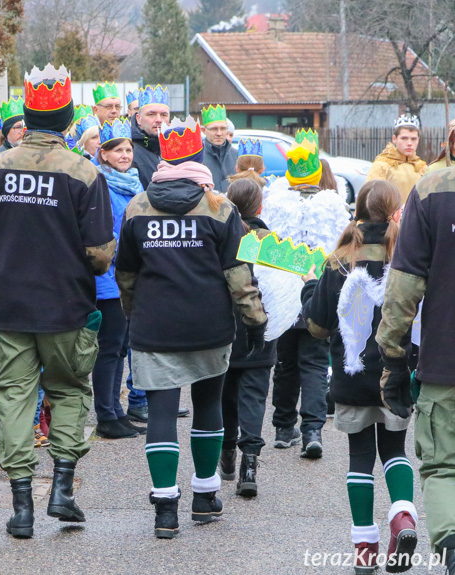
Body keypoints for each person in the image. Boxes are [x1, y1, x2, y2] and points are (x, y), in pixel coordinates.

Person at [0, 64, 115, 537]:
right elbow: (99, 254)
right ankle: (62, 492)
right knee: (70, 391)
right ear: (70, 119)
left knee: (13, 399)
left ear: (26, 118)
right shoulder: (85, 172)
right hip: (66, 308)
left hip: (6, 308)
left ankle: (21, 508)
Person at [116, 115, 267, 540]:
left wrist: (133, 312)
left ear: (162, 158)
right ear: (199, 156)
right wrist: (255, 321)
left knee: (162, 413)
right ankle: (205, 496)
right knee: (208, 406)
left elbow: (125, 272)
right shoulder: (222, 208)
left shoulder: (137, 207)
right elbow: (239, 275)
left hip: (154, 326)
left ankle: (165, 507)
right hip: (209, 327)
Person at [301, 180, 416, 573]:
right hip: (395, 373)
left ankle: (364, 547)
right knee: (395, 452)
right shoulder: (406, 256)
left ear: (359, 211)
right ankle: (403, 516)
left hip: (351, 376)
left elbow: (316, 327)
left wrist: (311, 292)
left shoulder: (339, 259)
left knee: (360, 457)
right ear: (395, 212)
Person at [376, 165, 455, 574]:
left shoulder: (431, 191)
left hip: (446, 359)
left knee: (444, 465)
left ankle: (453, 549)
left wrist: (392, 358)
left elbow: (404, 287)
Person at [261, 129, 350, 459]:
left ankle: (284, 428)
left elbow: (265, 251)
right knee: (313, 363)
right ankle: (313, 429)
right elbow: (341, 254)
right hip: (318, 293)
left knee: (284, 363)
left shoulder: (275, 205)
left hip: (283, 295)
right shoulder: (334, 207)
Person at [218, 178, 277, 499]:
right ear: (260, 206)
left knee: (226, 395)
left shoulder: (221, 235)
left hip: (227, 328)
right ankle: (250, 464)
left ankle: (227, 452)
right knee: (254, 397)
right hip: (262, 327)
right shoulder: (272, 243)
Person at [91, 118, 145, 439]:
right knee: (108, 348)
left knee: (122, 348)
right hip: (108, 280)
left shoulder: (135, 185)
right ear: (104, 155)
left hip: (128, 278)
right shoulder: (102, 186)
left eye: (128, 149)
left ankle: (118, 410)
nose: (125, 154)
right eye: (118, 150)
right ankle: (106, 414)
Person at [367, 114, 426, 203]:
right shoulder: (382, 165)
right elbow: (370, 197)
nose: (409, 143)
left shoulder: (422, 168)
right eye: (404, 138)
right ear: (394, 139)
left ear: (418, 139)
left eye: (413, 139)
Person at [131, 85, 170, 188]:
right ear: (138, 119)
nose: (158, 120)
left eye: (164, 115)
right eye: (151, 114)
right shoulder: (129, 151)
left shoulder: (176, 149)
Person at [201, 105, 238, 193]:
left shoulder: (237, 156)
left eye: (223, 128)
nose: (219, 133)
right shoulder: (196, 156)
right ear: (203, 130)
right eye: (214, 129)